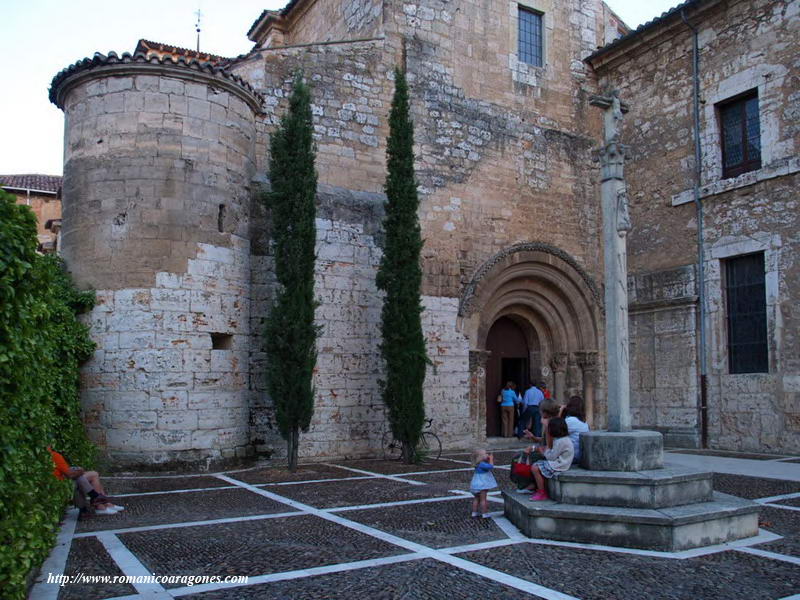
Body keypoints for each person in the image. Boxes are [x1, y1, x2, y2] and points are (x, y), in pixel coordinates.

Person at [47, 446, 124, 514]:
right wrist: (80, 471)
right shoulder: (54, 455)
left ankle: (103, 503)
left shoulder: (44, 457)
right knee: (90, 476)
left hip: (57, 483)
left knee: (92, 474)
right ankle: (100, 504)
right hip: (62, 484)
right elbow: (69, 474)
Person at [528, 417, 573, 501]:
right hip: (560, 461)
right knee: (538, 465)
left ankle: (541, 492)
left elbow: (551, 457)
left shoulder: (561, 441)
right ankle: (540, 489)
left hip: (560, 464)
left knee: (535, 468)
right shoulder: (562, 439)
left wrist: (544, 451)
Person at [561, 395, 590, 463]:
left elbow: (554, 431)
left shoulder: (571, 420)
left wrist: (560, 410)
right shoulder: (583, 421)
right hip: (578, 455)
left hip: (572, 457)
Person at [469, 449, 497, 518]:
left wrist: (488, 460)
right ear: (480, 457)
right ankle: (484, 513)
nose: (487, 455)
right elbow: (491, 467)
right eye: (485, 454)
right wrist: (491, 459)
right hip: (482, 485)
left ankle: (474, 512)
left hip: (476, 484)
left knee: (476, 499)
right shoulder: (482, 464)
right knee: (483, 500)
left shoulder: (478, 464)